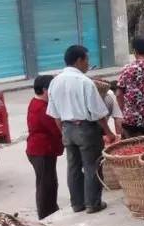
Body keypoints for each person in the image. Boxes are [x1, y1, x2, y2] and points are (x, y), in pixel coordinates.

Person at [47, 45, 115, 214]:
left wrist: (63, 130)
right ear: (79, 60)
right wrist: (108, 132)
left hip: (67, 128)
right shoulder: (85, 82)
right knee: (92, 165)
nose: (88, 64)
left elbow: (54, 114)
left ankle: (77, 204)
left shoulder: (55, 82)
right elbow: (98, 113)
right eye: (86, 60)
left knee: (73, 166)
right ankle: (93, 203)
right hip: (85, 128)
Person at [26, 75, 63, 219]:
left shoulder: (38, 103)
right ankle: (45, 214)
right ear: (44, 90)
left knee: (50, 182)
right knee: (45, 184)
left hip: (44, 150)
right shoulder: (41, 108)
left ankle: (52, 209)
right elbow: (55, 128)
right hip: (40, 151)